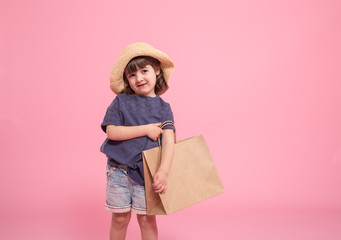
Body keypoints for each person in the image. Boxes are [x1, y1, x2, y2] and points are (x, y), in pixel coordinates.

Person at [100, 42, 175, 240]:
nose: (139, 78)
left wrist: (163, 171)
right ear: (127, 79)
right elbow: (112, 132)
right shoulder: (121, 102)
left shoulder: (163, 108)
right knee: (119, 219)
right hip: (118, 171)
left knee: (147, 220)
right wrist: (146, 129)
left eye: (144, 71)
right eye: (132, 75)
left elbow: (169, 141)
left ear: (157, 70)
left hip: (147, 173)